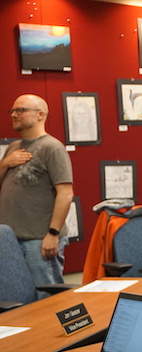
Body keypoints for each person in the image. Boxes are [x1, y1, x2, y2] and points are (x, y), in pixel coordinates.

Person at [0, 94, 74, 297]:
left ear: (40, 115)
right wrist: (5, 163)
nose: (14, 114)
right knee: (18, 297)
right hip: (10, 240)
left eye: (21, 110)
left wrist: (52, 233)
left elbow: (65, 194)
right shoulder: (14, 148)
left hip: (39, 240)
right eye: (12, 111)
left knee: (47, 298)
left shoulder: (52, 147)